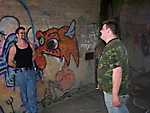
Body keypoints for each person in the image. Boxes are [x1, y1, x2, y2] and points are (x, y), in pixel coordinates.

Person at [97, 19, 129, 113]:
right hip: (111, 89)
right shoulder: (115, 45)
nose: (100, 31)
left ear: (109, 31)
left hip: (113, 92)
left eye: (102, 29)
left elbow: (117, 71)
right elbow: (108, 68)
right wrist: (102, 83)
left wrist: (115, 95)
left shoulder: (113, 47)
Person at [8, 26, 37, 113]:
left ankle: (33, 111)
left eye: (24, 33)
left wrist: (29, 62)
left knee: (31, 94)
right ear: (17, 35)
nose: (23, 35)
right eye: (21, 33)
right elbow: (10, 62)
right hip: (20, 74)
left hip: (30, 72)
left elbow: (34, 55)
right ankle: (28, 110)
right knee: (24, 95)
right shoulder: (13, 48)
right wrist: (18, 66)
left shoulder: (30, 45)